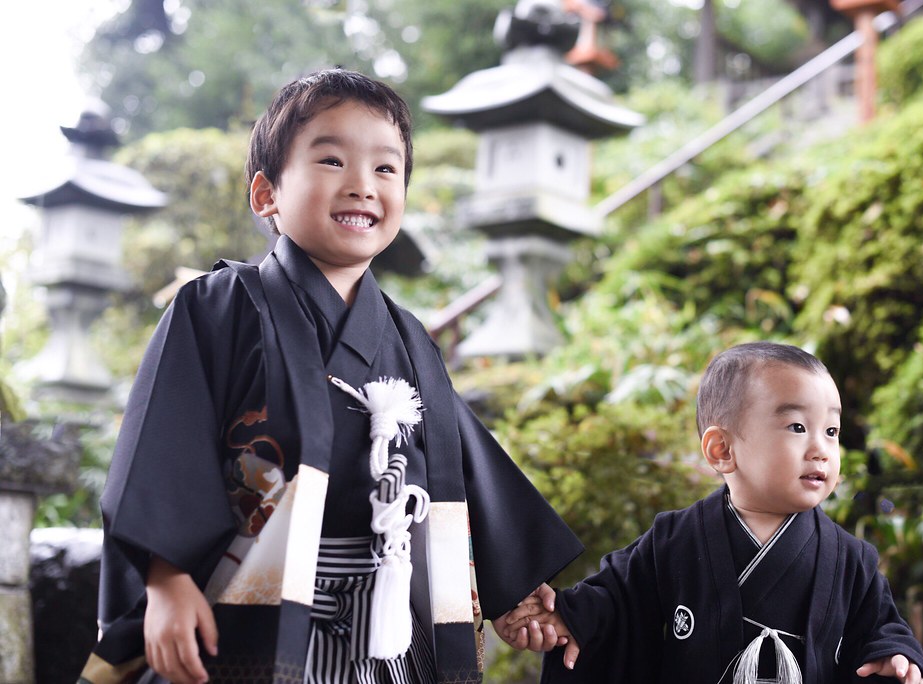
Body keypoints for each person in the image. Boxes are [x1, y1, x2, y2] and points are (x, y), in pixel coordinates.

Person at [80, 68, 581, 684]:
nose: (361, 186)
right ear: (267, 194)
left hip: (394, 631)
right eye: (331, 161)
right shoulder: (217, 306)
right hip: (254, 610)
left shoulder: (409, 339)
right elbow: (161, 446)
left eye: (385, 169)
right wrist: (166, 579)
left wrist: (515, 585)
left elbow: (460, 464)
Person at [503, 342, 923, 683]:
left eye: (832, 430)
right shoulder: (673, 540)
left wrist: (897, 658)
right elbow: (613, 600)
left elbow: (882, 629)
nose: (821, 449)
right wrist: (565, 617)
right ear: (722, 449)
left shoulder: (852, 560)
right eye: (798, 427)